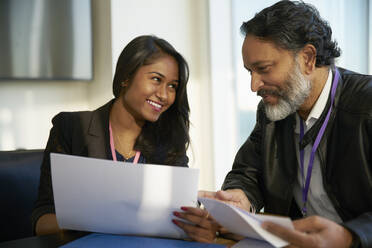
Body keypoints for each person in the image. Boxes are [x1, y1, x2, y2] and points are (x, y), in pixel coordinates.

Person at [176, 1, 372, 247]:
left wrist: (350, 237)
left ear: (308, 58)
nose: (254, 85)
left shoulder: (367, 105)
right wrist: (239, 198)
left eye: (264, 69)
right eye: (250, 72)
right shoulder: (275, 110)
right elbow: (248, 172)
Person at [31, 35, 191, 236]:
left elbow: (179, 217)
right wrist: (99, 220)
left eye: (172, 86)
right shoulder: (71, 129)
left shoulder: (169, 141)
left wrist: (196, 219)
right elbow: (42, 220)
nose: (164, 95)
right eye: (156, 79)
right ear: (126, 76)